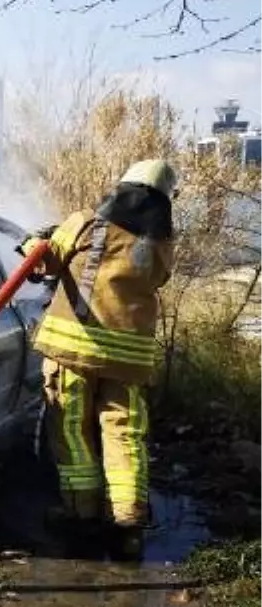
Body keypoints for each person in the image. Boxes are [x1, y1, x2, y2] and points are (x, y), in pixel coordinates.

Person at [19, 159, 179, 559]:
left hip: (73, 350)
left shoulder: (87, 222)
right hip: (128, 361)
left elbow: (42, 262)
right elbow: (154, 281)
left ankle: (82, 514)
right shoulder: (161, 245)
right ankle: (128, 523)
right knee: (124, 434)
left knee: (73, 431)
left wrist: (31, 242)